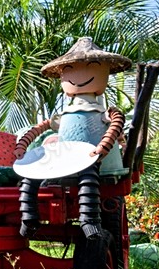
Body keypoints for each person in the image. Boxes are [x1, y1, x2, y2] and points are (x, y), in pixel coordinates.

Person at [15, 38, 130, 239]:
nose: (78, 76)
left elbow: (115, 126)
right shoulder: (65, 114)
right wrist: (22, 145)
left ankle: (90, 222)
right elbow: (39, 128)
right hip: (65, 161)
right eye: (69, 70)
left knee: (89, 176)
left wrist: (102, 147)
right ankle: (28, 217)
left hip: (95, 160)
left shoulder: (105, 112)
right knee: (30, 176)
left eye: (92, 68)